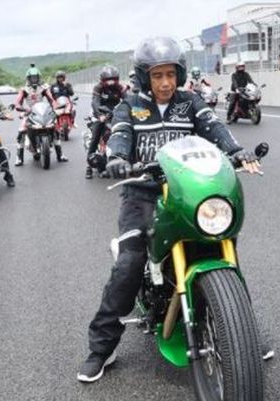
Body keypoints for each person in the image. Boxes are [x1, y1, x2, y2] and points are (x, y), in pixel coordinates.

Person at [77, 36, 268, 383]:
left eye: (170, 75)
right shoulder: (129, 106)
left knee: (222, 247)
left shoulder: (191, 103)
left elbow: (215, 128)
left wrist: (237, 151)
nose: (165, 83)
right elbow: (119, 135)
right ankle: (101, 348)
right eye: (157, 75)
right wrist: (117, 159)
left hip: (184, 193)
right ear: (144, 77)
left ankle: (242, 332)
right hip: (143, 194)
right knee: (129, 263)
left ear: (179, 75)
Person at [13, 65, 64, 166]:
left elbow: (51, 100)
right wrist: (23, 109)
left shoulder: (43, 88)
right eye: (32, 77)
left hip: (42, 112)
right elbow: (17, 103)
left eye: (36, 77)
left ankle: (60, 155)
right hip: (29, 113)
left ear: (39, 77)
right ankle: (19, 157)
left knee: (55, 129)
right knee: (21, 131)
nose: (34, 79)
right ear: (28, 78)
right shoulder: (24, 89)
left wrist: (55, 107)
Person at [86, 65, 126, 179]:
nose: (110, 82)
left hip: (115, 114)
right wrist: (100, 115)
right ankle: (89, 167)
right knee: (95, 137)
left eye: (113, 79)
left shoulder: (120, 87)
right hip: (100, 114)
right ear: (102, 80)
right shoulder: (98, 88)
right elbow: (95, 102)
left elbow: (128, 100)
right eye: (108, 80)